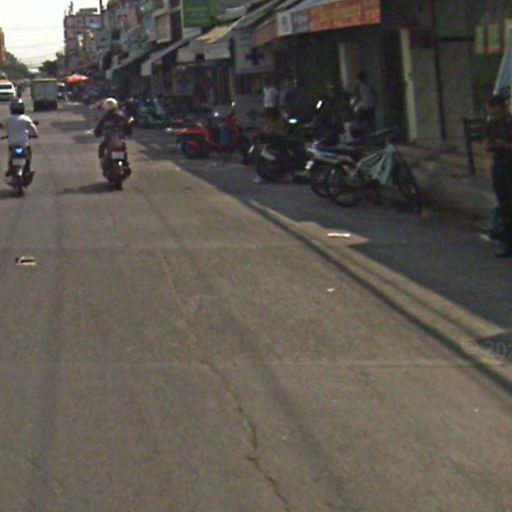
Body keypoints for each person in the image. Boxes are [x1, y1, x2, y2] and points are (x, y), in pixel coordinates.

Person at [485, 94, 512, 257]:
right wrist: (491, 146)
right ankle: (508, 244)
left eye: (496, 113)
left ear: (503, 109)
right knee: (505, 206)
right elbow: (487, 144)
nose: (493, 117)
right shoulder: (492, 125)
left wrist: (506, 145)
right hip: (500, 166)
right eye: (491, 114)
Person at [0, 99, 38, 178]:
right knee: (28, 155)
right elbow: (33, 128)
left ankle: (10, 169)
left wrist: (6, 135)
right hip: (24, 143)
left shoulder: (8, 119)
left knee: (11, 155)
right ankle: (28, 169)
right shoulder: (26, 118)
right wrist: (35, 134)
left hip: (12, 143)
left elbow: (5, 129)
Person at [94, 97, 132, 162]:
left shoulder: (107, 116)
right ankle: (124, 162)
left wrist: (97, 132)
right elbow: (127, 125)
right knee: (122, 148)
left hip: (111, 139)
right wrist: (128, 132)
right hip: (119, 139)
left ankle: (103, 160)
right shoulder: (120, 115)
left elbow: (100, 126)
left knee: (102, 147)